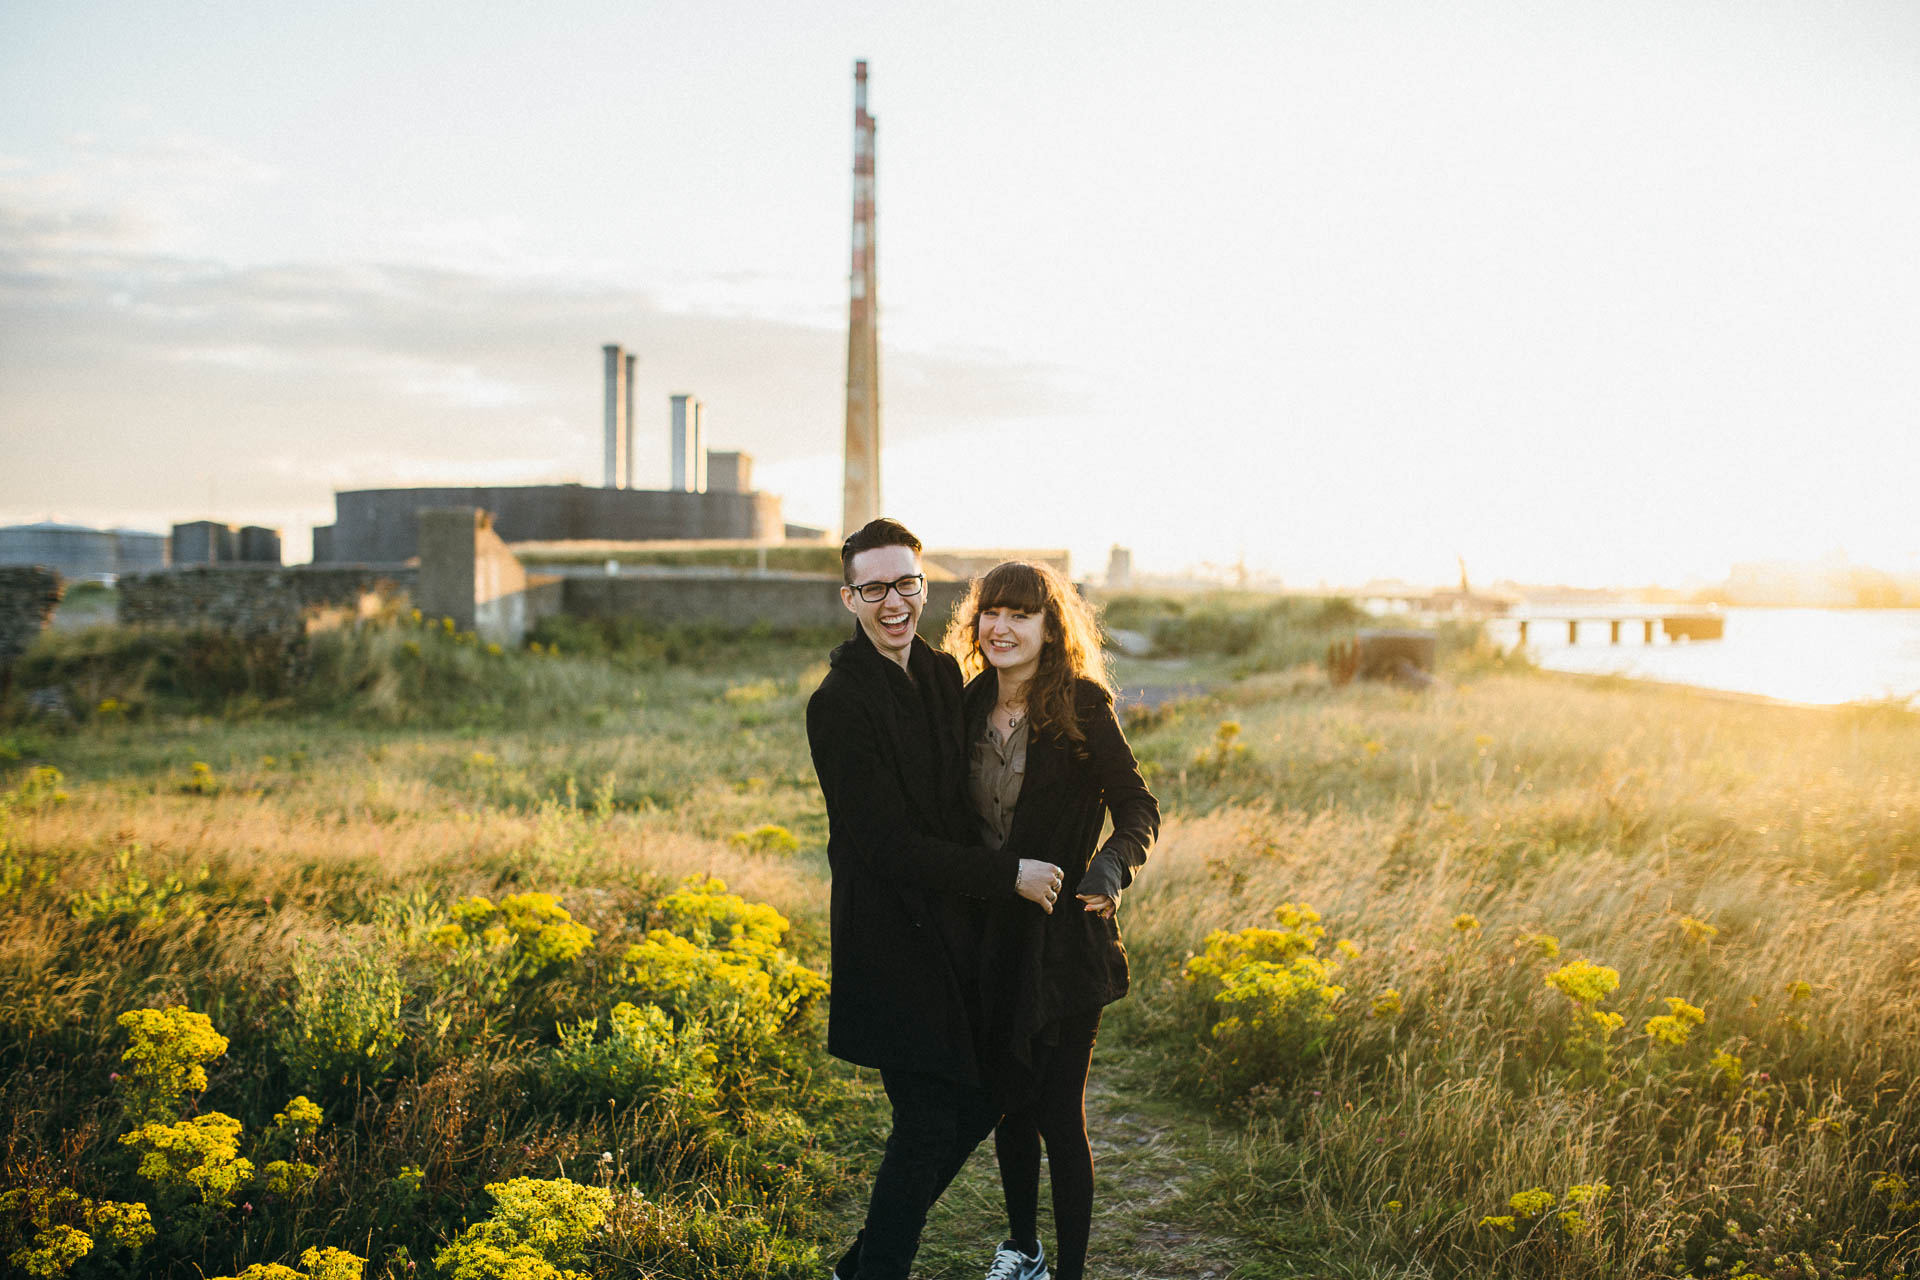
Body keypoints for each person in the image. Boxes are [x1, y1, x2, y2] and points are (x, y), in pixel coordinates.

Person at [806, 519, 1065, 1280]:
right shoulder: (839, 703)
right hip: (888, 940)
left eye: (907, 583)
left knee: (983, 1096)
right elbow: (885, 845)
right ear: (850, 596)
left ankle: (862, 1265)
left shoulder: (942, 674)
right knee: (926, 1119)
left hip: (952, 932)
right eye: (876, 587)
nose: (895, 602)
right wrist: (1007, 875)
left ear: (924, 587)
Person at [943, 560, 1160, 1280]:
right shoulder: (965, 705)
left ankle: (1069, 1272)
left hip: (1066, 940)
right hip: (989, 939)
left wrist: (1110, 869)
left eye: (1020, 614)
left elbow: (1137, 808)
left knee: (1058, 1113)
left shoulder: (1083, 707)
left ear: (1049, 626)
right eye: (990, 613)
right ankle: (1023, 1249)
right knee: (1010, 1104)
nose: (1001, 628)